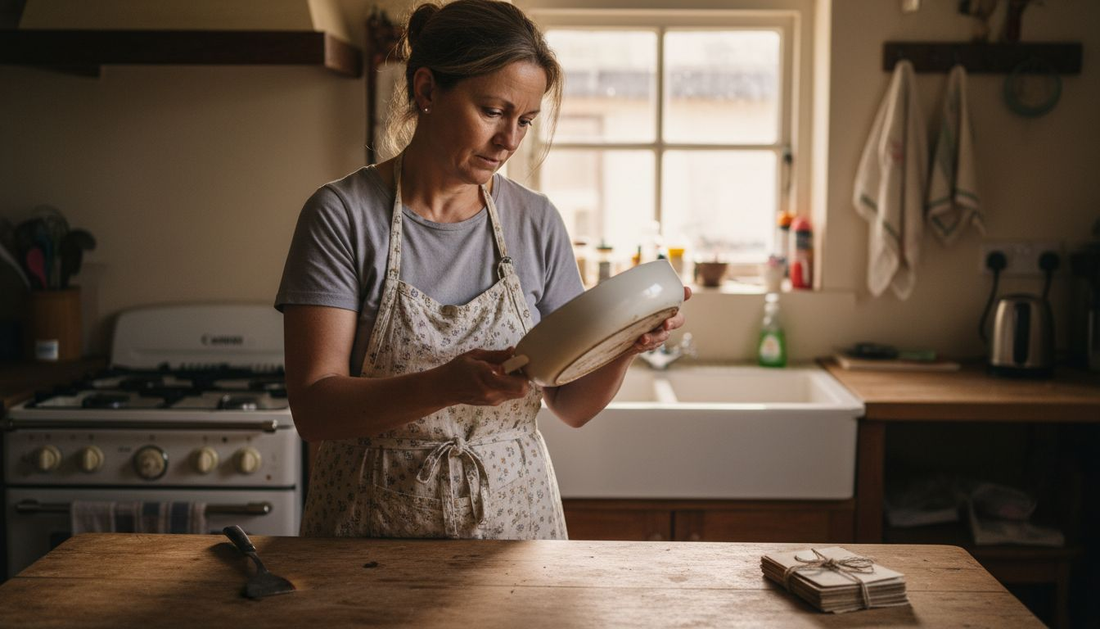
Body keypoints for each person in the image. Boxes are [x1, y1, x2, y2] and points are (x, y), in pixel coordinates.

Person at [276, 0, 690, 540]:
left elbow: (571, 405)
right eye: (493, 111)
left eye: (525, 121)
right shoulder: (343, 215)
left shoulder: (535, 220)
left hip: (513, 527)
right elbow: (315, 410)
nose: (510, 140)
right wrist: (444, 385)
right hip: (369, 528)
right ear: (426, 91)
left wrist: (626, 346)